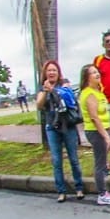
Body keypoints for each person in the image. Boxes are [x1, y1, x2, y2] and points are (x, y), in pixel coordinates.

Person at [34, 62, 84, 202]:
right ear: (45, 73)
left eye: (54, 70)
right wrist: (46, 91)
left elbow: (68, 98)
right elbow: (39, 105)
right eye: (49, 70)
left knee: (73, 158)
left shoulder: (64, 83)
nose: (51, 73)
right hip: (52, 127)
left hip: (67, 125)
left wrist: (53, 90)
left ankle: (79, 188)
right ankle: (61, 191)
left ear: (58, 72)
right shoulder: (42, 87)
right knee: (57, 160)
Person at [78, 64, 110, 206]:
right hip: (95, 131)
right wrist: (106, 136)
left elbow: (102, 114)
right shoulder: (89, 94)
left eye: (97, 71)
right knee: (100, 163)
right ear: (87, 77)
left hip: (104, 128)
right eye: (93, 73)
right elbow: (94, 117)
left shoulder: (97, 91)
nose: (97, 74)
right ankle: (102, 194)